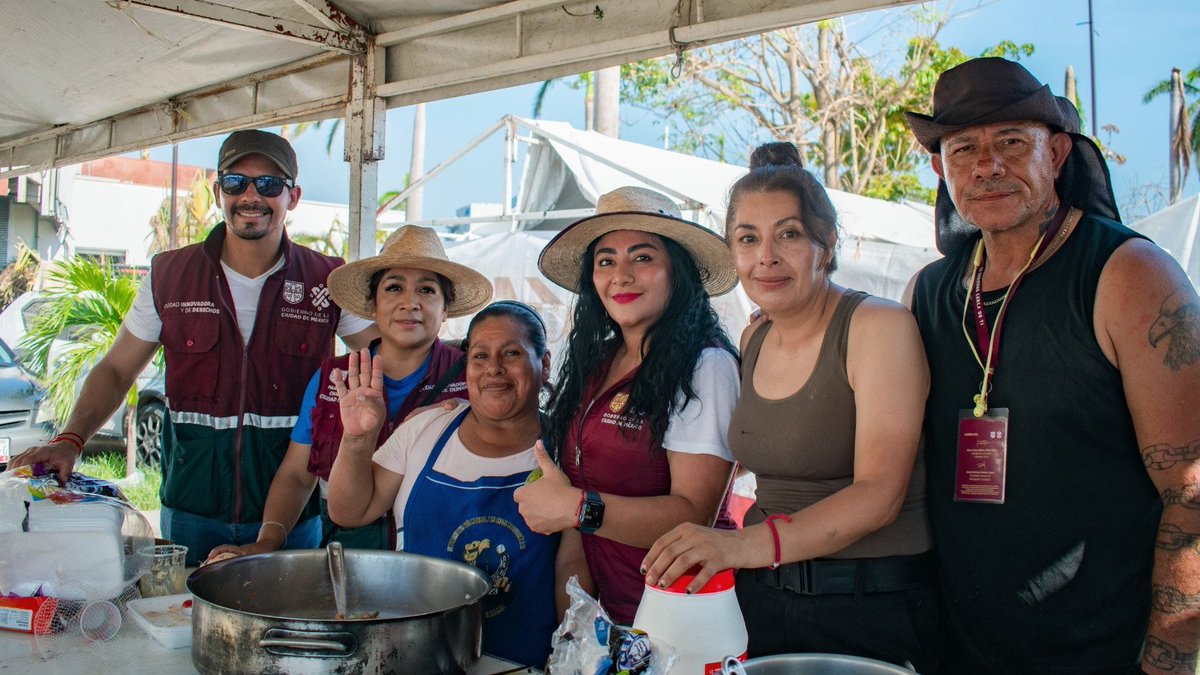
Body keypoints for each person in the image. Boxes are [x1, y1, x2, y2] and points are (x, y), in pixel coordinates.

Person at [903, 57, 1200, 673]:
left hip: (1101, 654)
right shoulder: (927, 292)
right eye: (964, 148)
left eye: (1012, 141)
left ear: (1058, 153)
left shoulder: (1130, 276)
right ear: (940, 167)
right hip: (957, 650)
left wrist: (1166, 663)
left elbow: (1192, 491)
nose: (988, 165)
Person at [10, 129, 376, 567]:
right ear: (219, 190)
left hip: (292, 516)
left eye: (269, 184)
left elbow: (387, 355)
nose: (250, 196)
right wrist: (71, 440)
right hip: (190, 512)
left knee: (284, 631)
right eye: (236, 182)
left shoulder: (328, 281)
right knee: (184, 625)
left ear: (292, 197)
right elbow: (117, 369)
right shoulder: (170, 275)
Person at [640, 143, 938, 670]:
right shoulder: (754, 338)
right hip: (764, 600)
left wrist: (739, 546)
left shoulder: (877, 327)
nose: (766, 257)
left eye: (789, 235)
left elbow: (879, 496)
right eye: (748, 239)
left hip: (866, 607)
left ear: (827, 244)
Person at [514, 186, 740, 626]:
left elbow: (696, 514)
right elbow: (576, 530)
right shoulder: (595, 364)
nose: (621, 275)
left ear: (678, 271)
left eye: (642, 257)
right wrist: (575, 635)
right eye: (606, 261)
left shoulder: (706, 365)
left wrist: (579, 508)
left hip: (685, 619)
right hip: (612, 624)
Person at [206, 225, 491, 560]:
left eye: (427, 290)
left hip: (443, 565)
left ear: (445, 310)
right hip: (347, 568)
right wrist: (268, 541)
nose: (409, 303)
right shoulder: (333, 379)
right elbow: (297, 475)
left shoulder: (474, 377)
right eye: (394, 288)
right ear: (372, 306)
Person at [326, 301, 563, 667]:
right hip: (416, 655)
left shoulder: (568, 448)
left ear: (544, 363)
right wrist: (358, 438)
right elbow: (350, 511)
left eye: (512, 353)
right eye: (480, 356)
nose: (493, 369)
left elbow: (574, 567)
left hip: (522, 661)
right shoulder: (427, 429)